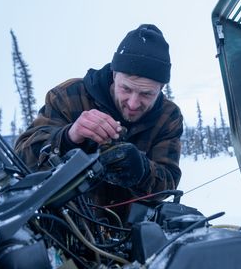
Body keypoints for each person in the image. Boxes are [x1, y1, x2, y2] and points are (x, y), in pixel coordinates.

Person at [15, 24, 183, 218]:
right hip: (67, 225)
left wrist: (142, 170)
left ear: (161, 88)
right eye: (126, 89)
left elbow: (168, 181)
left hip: (131, 230)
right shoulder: (69, 96)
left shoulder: (168, 116)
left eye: (146, 94)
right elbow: (23, 159)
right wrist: (68, 138)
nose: (134, 103)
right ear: (114, 75)